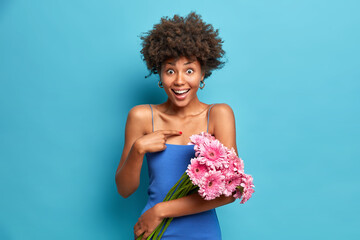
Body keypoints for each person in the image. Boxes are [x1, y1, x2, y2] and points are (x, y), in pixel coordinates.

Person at [115, 12, 238, 240]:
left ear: (203, 74)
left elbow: (230, 191)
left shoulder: (218, 115)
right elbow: (124, 190)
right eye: (170, 70)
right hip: (154, 233)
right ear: (160, 75)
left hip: (200, 232)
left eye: (189, 70)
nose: (180, 80)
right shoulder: (142, 116)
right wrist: (138, 149)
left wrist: (161, 210)